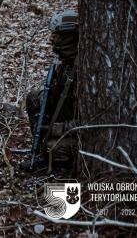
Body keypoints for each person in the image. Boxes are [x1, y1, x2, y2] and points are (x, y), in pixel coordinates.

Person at [22, 10, 78, 172]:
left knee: (54, 149)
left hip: (81, 134)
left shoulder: (84, 70)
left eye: (57, 36)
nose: (52, 40)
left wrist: (56, 129)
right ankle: (41, 150)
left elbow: (89, 122)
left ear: (70, 36)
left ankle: (56, 162)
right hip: (65, 123)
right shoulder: (66, 65)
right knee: (34, 97)